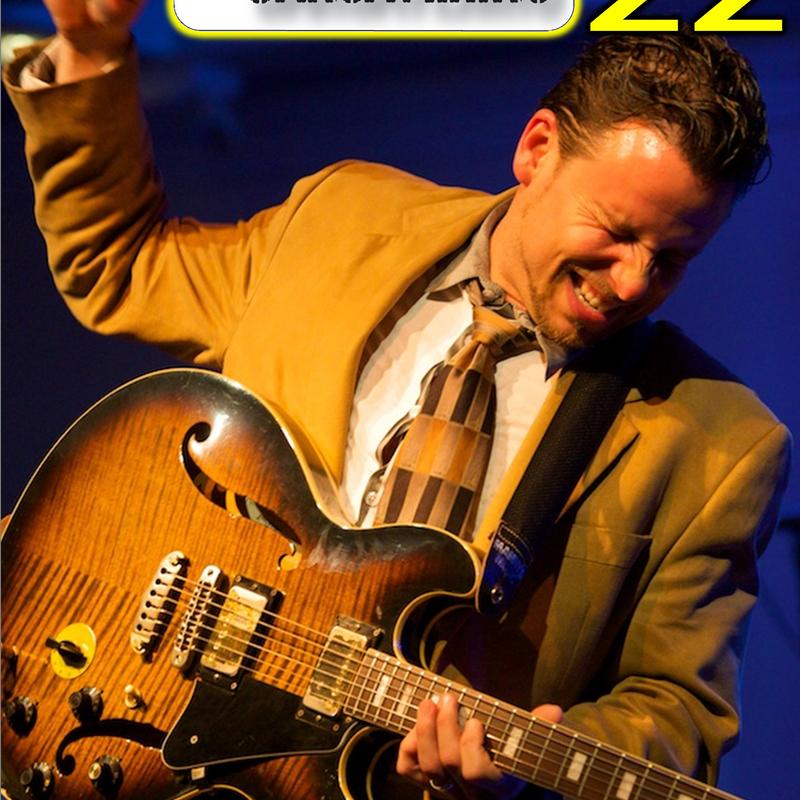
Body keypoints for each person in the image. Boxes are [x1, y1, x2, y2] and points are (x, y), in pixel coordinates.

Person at [2, 3, 791, 798]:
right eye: (615, 231)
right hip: (153, 730)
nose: (631, 283)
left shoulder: (722, 444)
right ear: (537, 149)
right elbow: (120, 266)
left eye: (672, 258)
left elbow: (677, 719)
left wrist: (521, 779)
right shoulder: (343, 218)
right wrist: (90, 51)